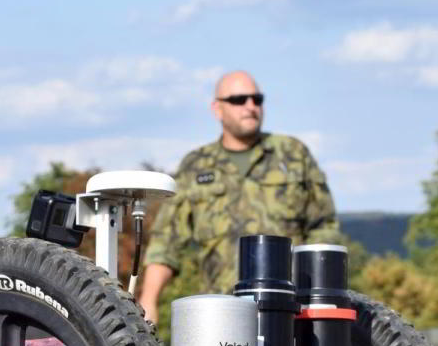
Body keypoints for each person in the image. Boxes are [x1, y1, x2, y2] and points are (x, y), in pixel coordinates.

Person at [137, 70, 339, 324]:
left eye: (257, 99)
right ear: (217, 109)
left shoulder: (292, 154)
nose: (251, 106)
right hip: (224, 316)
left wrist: (316, 295)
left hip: (289, 313)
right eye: (239, 99)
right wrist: (149, 299)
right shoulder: (196, 166)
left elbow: (323, 228)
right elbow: (166, 242)